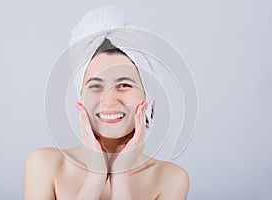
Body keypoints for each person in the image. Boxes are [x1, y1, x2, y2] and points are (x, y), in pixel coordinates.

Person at [24, 6, 189, 200]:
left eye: (124, 84)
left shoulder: (171, 179)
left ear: (147, 96)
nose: (109, 101)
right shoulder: (45, 166)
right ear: (81, 99)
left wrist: (121, 177)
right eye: (95, 86)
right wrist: (95, 177)